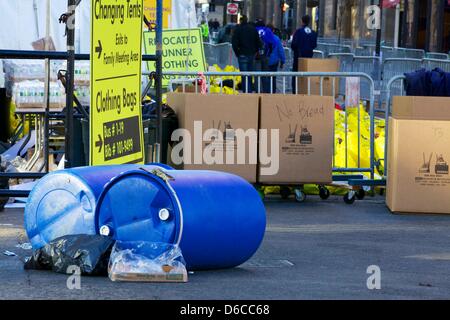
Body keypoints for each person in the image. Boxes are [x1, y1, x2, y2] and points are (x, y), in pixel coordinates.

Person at [232, 15, 263, 93]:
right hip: (251, 54)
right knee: (249, 74)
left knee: (244, 75)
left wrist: (237, 53)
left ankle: (246, 91)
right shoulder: (253, 29)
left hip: (242, 54)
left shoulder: (238, 29)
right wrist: (256, 51)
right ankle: (249, 91)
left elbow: (234, 43)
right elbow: (258, 42)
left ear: (241, 20)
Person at [291, 15, 318, 94]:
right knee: (307, 75)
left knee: (296, 75)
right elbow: (314, 45)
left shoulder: (298, 31)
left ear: (302, 21)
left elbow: (294, 44)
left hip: (298, 57)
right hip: (309, 57)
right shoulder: (313, 33)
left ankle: (295, 91)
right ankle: (306, 91)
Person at [255, 19, 278, 93]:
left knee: (257, 75)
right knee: (265, 75)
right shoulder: (268, 30)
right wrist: (269, 52)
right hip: (266, 55)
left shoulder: (254, 30)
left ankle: (258, 91)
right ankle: (266, 91)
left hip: (256, 56)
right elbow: (273, 43)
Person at [267, 24, 286, 93]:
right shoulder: (276, 38)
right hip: (274, 61)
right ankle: (272, 92)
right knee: (273, 78)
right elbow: (281, 51)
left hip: (265, 61)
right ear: (273, 30)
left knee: (264, 77)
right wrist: (283, 61)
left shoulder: (263, 37)